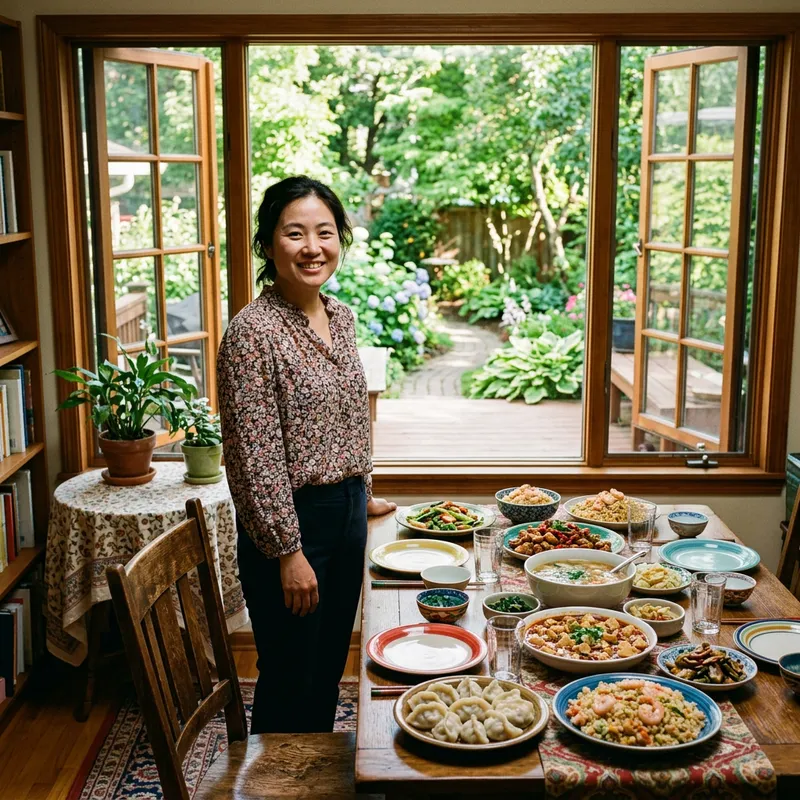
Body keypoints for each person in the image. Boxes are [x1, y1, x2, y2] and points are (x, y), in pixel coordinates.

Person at [217, 176, 396, 734]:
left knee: (325, 670)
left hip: (342, 514)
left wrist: (358, 492)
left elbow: (349, 413)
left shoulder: (338, 315)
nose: (312, 247)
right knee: (290, 673)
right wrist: (287, 552)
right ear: (269, 246)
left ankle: (312, 774)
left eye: (325, 232)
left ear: (340, 239)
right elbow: (253, 457)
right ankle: (278, 783)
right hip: (290, 528)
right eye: (295, 234)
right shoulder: (252, 334)